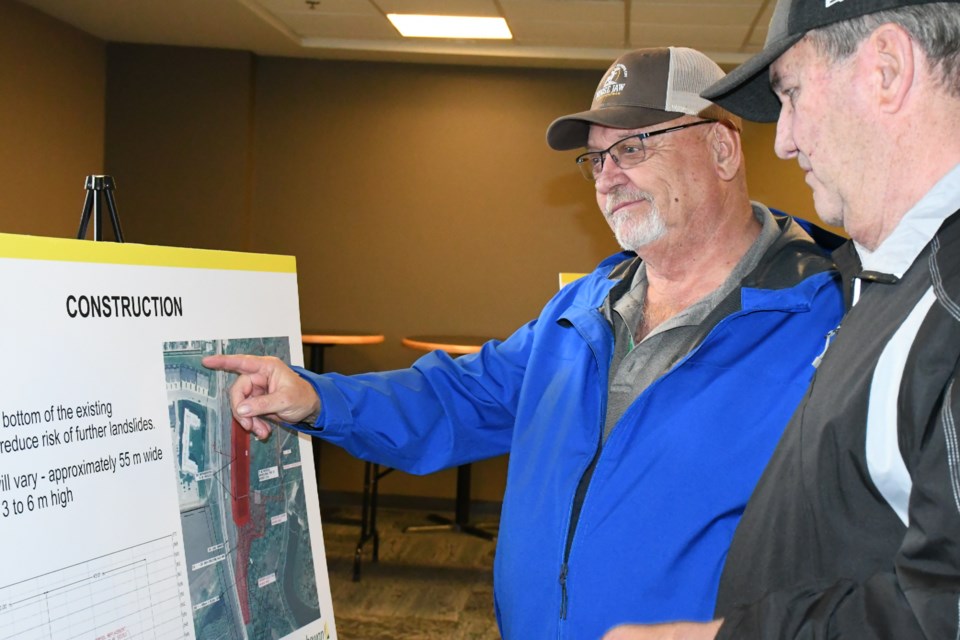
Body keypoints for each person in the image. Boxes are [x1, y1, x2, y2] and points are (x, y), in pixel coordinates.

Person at [204, 47, 844, 639]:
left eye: (634, 147)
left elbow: (898, 562)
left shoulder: (827, 318)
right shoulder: (583, 308)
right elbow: (460, 398)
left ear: (722, 151)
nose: (607, 177)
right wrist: (316, 397)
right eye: (596, 158)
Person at [602, 1, 960, 639]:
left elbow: (945, 614)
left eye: (792, 94)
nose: (784, 139)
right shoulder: (881, 282)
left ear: (887, 68)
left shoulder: (948, 305)